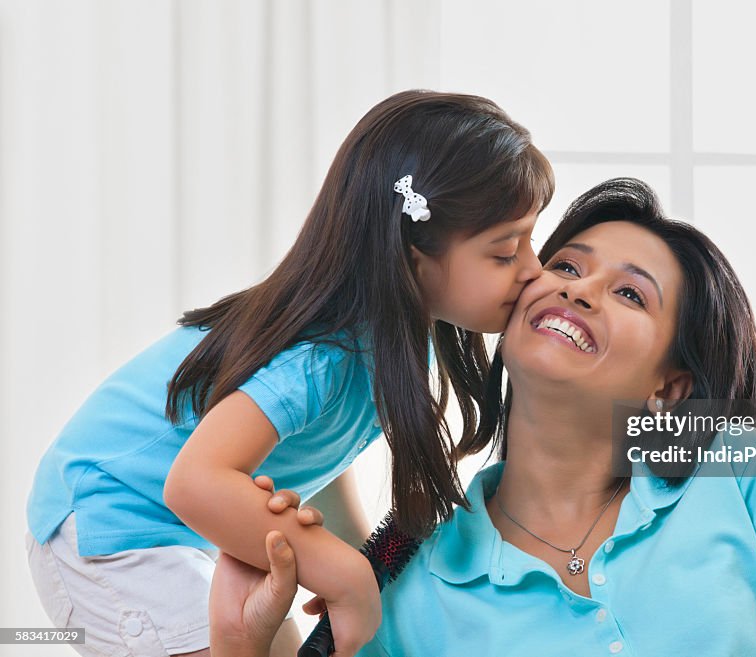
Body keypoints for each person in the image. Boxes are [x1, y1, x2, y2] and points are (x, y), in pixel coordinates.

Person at [213, 178, 756, 656]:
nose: (580, 289)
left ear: (671, 387)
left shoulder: (738, 469)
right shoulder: (410, 577)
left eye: (631, 294)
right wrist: (241, 646)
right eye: (567, 264)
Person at [24, 90, 554, 657]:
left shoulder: (400, 336)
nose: (534, 270)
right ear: (412, 252)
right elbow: (195, 481)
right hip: (108, 524)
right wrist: (342, 573)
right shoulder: (322, 354)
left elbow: (322, 454)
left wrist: (361, 559)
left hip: (182, 530)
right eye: (505, 252)